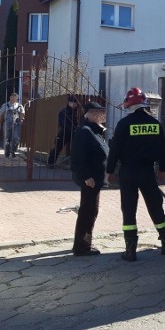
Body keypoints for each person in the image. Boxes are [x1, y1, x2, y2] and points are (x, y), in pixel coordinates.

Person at [106, 87, 165, 261]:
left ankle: (130, 249)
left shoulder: (124, 124)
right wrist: (163, 169)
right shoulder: (155, 124)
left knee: (129, 208)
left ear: (128, 103)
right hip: (147, 172)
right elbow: (163, 150)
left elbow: (115, 150)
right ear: (144, 104)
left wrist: (110, 171)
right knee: (155, 205)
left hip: (127, 172)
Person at [69, 102, 109, 256]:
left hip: (96, 179)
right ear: (90, 114)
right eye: (100, 112)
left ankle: (83, 243)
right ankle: (82, 247)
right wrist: (86, 176)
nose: (104, 115)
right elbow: (78, 157)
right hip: (90, 180)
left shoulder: (95, 131)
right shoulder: (85, 131)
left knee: (91, 211)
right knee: (88, 212)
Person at [48, 95, 80, 168]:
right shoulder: (64, 112)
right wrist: (73, 129)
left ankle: (74, 165)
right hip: (64, 132)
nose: (75, 105)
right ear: (69, 103)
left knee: (76, 148)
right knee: (58, 148)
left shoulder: (76, 112)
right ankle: (51, 163)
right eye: (74, 103)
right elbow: (64, 123)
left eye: (76, 103)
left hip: (73, 132)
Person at [0, 92, 25, 158]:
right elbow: (0, 116)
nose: (13, 99)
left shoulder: (20, 106)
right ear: (10, 97)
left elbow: (22, 115)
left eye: (14, 97)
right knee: (7, 139)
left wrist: (21, 120)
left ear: (17, 98)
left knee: (16, 138)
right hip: (7, 124)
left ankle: (13, 151)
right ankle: (7, 152)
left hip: (16, 125)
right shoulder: (5, 105)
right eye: (12, 97)